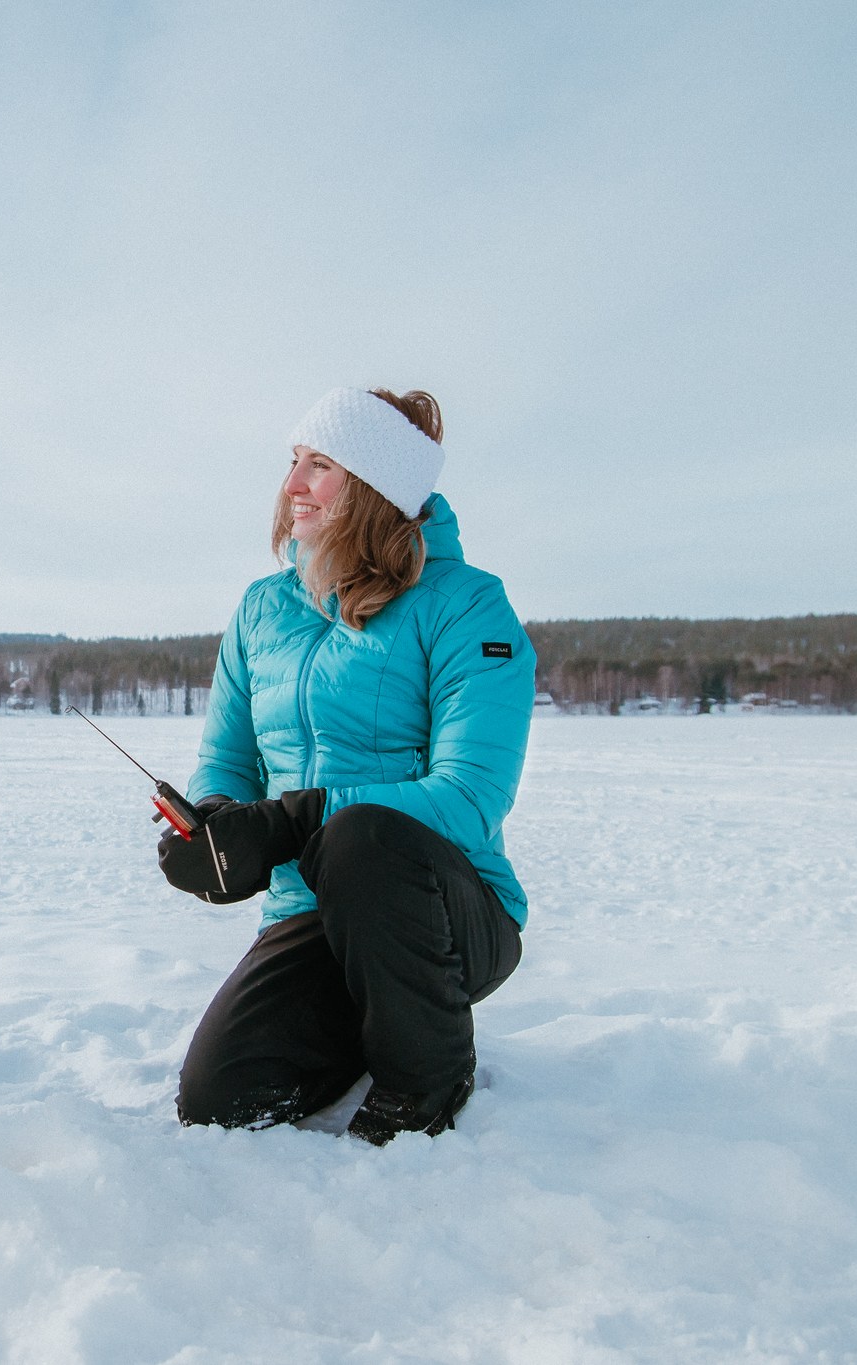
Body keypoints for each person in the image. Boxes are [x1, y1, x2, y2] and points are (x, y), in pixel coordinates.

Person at [159, 387, 533, 1144]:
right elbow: (226, 757)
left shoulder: (465, 606)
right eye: (294, 462)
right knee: (221, 1097)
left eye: (319, 465)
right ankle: (375, 1016)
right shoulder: (261, 610)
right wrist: (218, 827)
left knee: (361, 835)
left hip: (448, 912)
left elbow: (468, 797)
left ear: (374, 488)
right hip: (311, 913)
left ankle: (426, 1074)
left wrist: (295, 818)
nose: (292, 484)